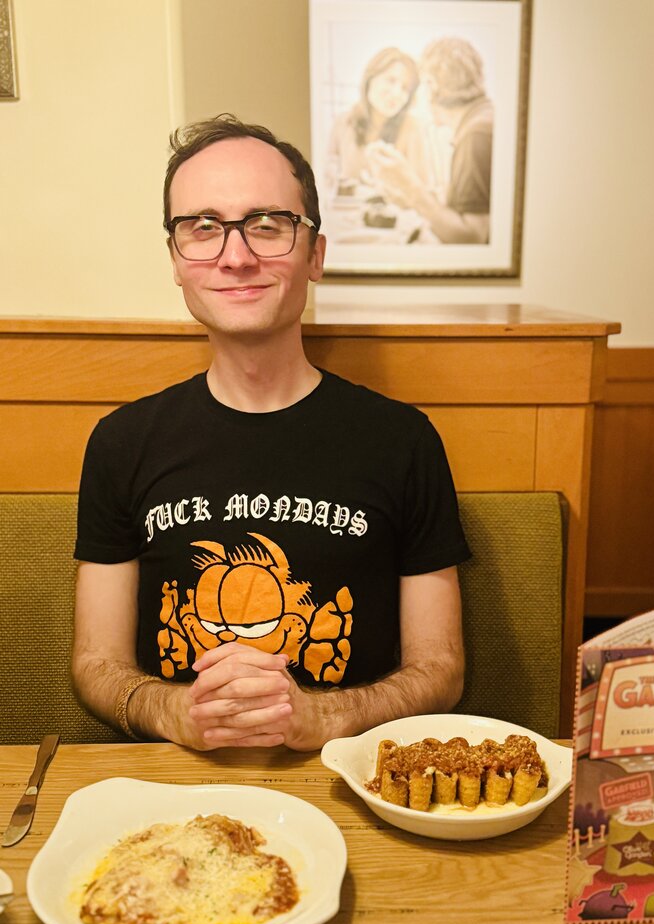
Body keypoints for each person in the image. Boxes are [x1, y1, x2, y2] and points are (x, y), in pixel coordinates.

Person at [71, 115, 470, 753]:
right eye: (202, 228)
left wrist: (327, 718)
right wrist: (175, 712)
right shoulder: (121, 442)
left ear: (315, 255)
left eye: (267, 224)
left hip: (346, 779)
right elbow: (94, 665)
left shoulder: (404, 440)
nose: (236, 256)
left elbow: (441, 669)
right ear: (176, 260)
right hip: (173, 782)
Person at [367, 38, 493, 244]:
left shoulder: (475, 135)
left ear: (432, 86)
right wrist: (412, 198)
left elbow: (472, 237)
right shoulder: (480, 120)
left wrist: (412, 190)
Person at [325, 46, 431, 192]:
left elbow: (423, 192)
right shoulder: (343, 122)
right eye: (391, 80)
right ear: (370, 78)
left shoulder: (413, 128)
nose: (396, 93)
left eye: (405, 88)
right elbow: (326, 180)